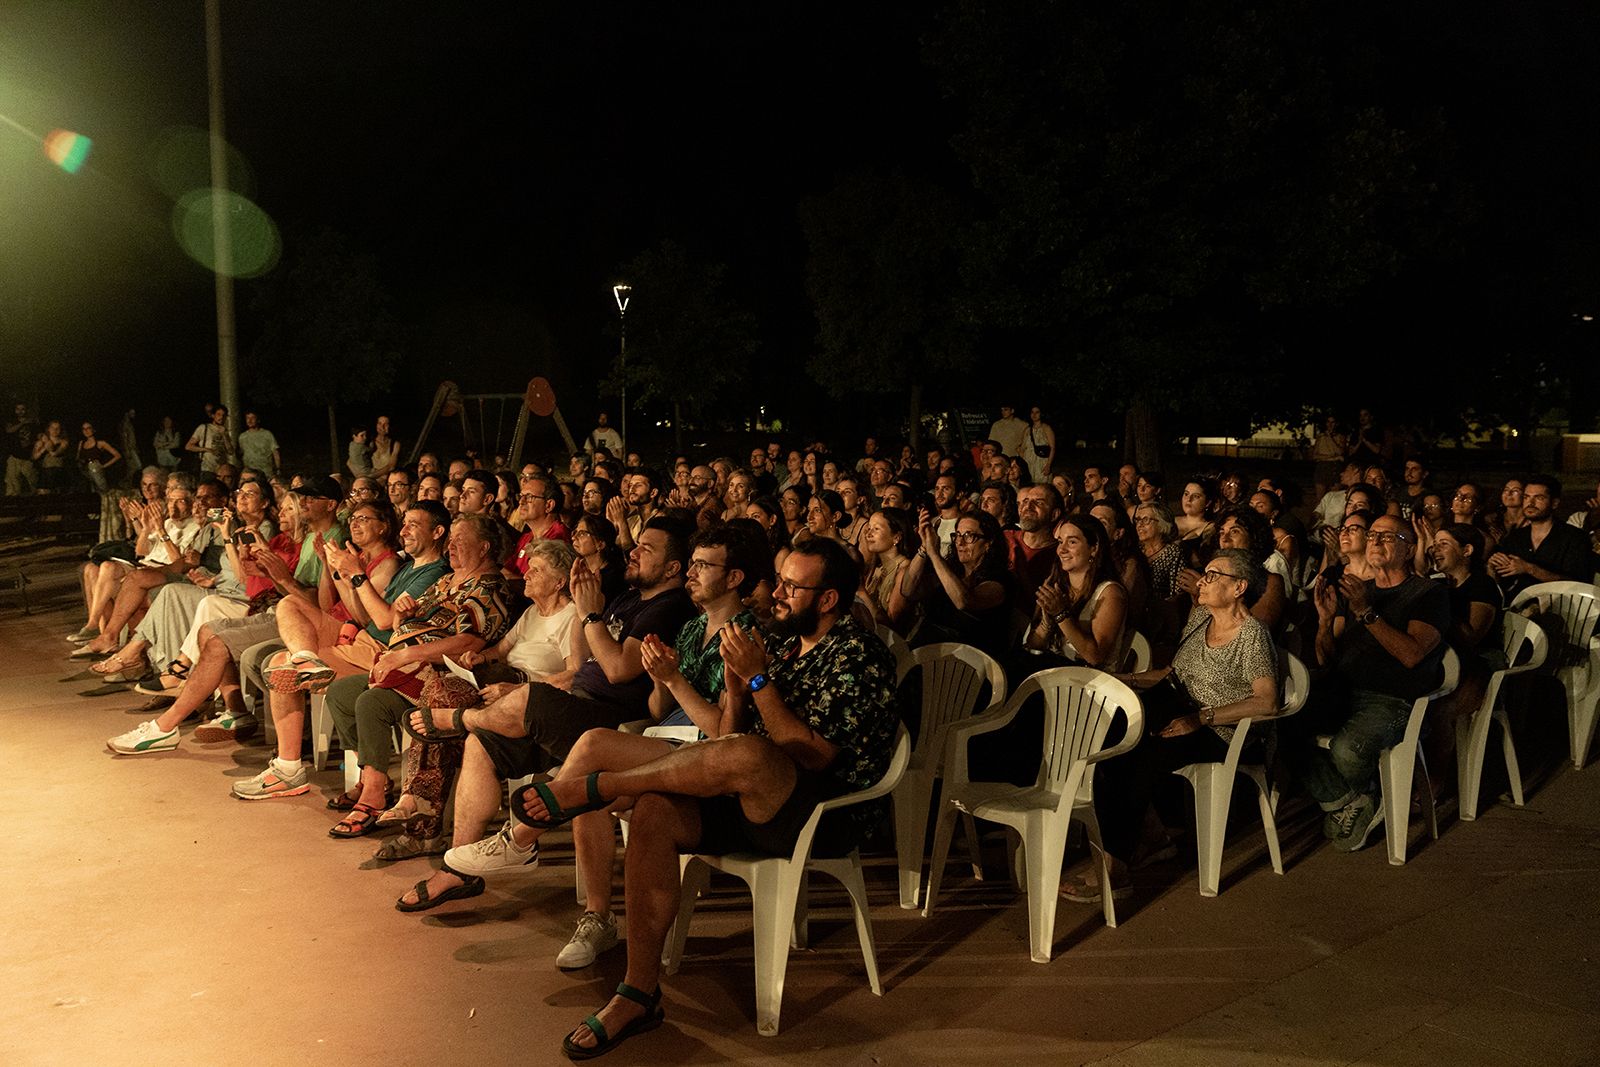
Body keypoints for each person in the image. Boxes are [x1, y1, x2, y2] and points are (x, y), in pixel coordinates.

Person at [515, 538, 896, 1058]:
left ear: (827, 600)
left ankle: (597, 789)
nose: (777, 594)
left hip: (819, 810)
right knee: (649, 801)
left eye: (792, 586)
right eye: (780, 580)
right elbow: (725, 738)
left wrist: (758, 678)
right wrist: (736, 691)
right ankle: (638, 991)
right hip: (742, 792)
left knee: (752, 756)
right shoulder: (782, 642)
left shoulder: (858, 653)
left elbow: (812, 756)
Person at [427, 525, 767, 958]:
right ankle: (597, 919)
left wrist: (672, 679)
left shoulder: (743, 635)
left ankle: (520, 838)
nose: (694, 574)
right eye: (695, 563)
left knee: (588, 750)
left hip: (706, 756)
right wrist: (662, 678)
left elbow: (725, 735)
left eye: (704, 565)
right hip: (664, 736)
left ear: (734, 578)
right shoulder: (693, 627)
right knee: (585, 780)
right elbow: (659, 709)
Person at [393, 516, 696, 911]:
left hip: (608, 717)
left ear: (673, 568)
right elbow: (580, 663)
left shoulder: (668, 607)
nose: (633, 552)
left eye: (647, 549)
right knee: (482, 745)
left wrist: (587, 613)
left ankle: (458, 720)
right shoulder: (628, 599)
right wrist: (589, 613)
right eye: (636, 545)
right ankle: (459, 870)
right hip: (576, 701)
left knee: (522, 699)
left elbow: (619, 670)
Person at [1063, 547, 1279, 902]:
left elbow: (1266, 700)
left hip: (1221, 729)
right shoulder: (1200, 618)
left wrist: (1201, 717)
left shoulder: (1251, 634)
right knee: (1109, 736)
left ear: (1239, 587)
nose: (1204, 581)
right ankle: (1144, 839)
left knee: (1140, 756)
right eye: (1205, 573)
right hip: (1176, 704)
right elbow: (1172, 674)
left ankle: (1115, 870)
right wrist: (1124, 680)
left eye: (1213, 575)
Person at [310, 512, 511, 836]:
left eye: (461, 539)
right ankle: (373, 776)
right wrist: (404, 616)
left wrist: (406, 653)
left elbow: (468, 641)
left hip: (444, 676)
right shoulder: (446, 581)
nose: (452, 545)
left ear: (484, 547)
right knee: (342, 694)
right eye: (452, 538)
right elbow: (398, 621)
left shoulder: (489, 586)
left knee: (371, 703)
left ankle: (373, 794)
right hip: (406, 664)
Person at [1285, 513, 1449, 852]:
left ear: (1409, 550)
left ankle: (1352, 797)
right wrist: (1325, 622)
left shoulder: (1427, 593)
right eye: (1372, 534)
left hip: (1392, 698)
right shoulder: (1360, 591)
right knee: (1281, 725)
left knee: (1347, 751)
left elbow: (1413, 654)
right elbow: (1328, 656)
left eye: (1388, 537)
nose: (1374, 541)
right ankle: (1353, 799)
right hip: (1343, 690)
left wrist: (1366, 613)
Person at [1024, 515, 1130, 670]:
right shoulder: (1057, 586)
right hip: (1055, 672)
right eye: (1060, 542)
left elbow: (1095, 657)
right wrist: (1047, 623)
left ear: (1094, 548)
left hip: (1088, 684)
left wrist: (1061, 615)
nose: (1062, 549)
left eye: (1072, 542)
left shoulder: (1110, 593)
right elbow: (1032, 646)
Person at [1487, 476, 1594, 600]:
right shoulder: (1515, 537)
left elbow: (1578, 584)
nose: (1530, 503)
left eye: (1539, 498)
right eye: (1526, 497)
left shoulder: (1574, 538)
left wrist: (1529, 569)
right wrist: (1492, 568)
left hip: (1563, 609)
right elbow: (1501, 583)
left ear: (1554, 503)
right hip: (1517, 607)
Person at [1004, 483, 1065, 601]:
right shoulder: (1005, 538)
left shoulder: (1060, 555)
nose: (1028, 506)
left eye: (1038, 502)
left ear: (1054, 515)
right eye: (1026, 501)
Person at [860, 506, 916, 632]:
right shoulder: (876, 567)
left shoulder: (904, 569)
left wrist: (861, 592)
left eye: (876, 529)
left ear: (896, 537)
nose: (869, 534)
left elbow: (891, 624)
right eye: (869, 528)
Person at [1135, 502, 1182, 600]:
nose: (1139, 525)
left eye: (1145, 520)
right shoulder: (1135, 550)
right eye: (1138, 520)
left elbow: (1178, 592)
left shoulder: (1173, 552)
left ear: (1161, 524)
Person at [76, 421, 122, 494]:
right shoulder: (81, 443)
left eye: (88, 428)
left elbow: (117, 455)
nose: (86, 431)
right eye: (84, 429)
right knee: (91, 491)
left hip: (95, 468)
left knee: (102, 489)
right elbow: (78, 457)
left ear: (93, 429)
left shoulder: (100, 443)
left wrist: (103, 466)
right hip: (84, 470)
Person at [186, 405, 234, 473]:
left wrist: (224, 435)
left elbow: (230, 451)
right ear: (213, 416)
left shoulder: (225, 431)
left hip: (221, 470)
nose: (221, 417)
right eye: (218, 414)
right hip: (207, 468)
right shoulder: (204, 428)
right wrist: (207, 449)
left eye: (224, 415)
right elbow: (188, 446)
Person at [5, 402, 37, 496]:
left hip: (28, 456)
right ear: (15, 410)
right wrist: (23, 423)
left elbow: (37, 435)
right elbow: (9, 430)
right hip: (14, 456)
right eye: (18, 409)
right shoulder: (12, 421)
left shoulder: (32, 422)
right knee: (12, 481)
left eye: (22, 409)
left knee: (33, 480)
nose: (20, 411)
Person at [1019, 405, 1056, 484]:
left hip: (1042, 462)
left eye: (1037, 412)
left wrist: (1048, 465)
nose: (1034, 415)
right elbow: (1022, 448)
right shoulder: (1027, 430)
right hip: (1029, 462)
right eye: (1032, 412)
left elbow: (1052, 448)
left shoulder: (1046, 428)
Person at [236, 412, 281, 477]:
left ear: (258, 420)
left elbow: (275, 452)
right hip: (250, 472)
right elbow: (240, 454)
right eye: (247, 418)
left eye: (252, 418)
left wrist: (278, 468)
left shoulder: (267, 434)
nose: (250, 420)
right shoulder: (242, 437)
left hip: (266, 472)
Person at [32, 419, 70, 492]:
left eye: (57, 428)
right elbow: (34, 457)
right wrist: (42, 449)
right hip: (45, 471)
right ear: (49, 429)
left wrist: (47, 441)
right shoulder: (41, 442)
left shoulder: (64, 442)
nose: (55, 430)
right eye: (52, 428)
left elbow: (54, 453)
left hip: (59, 472)